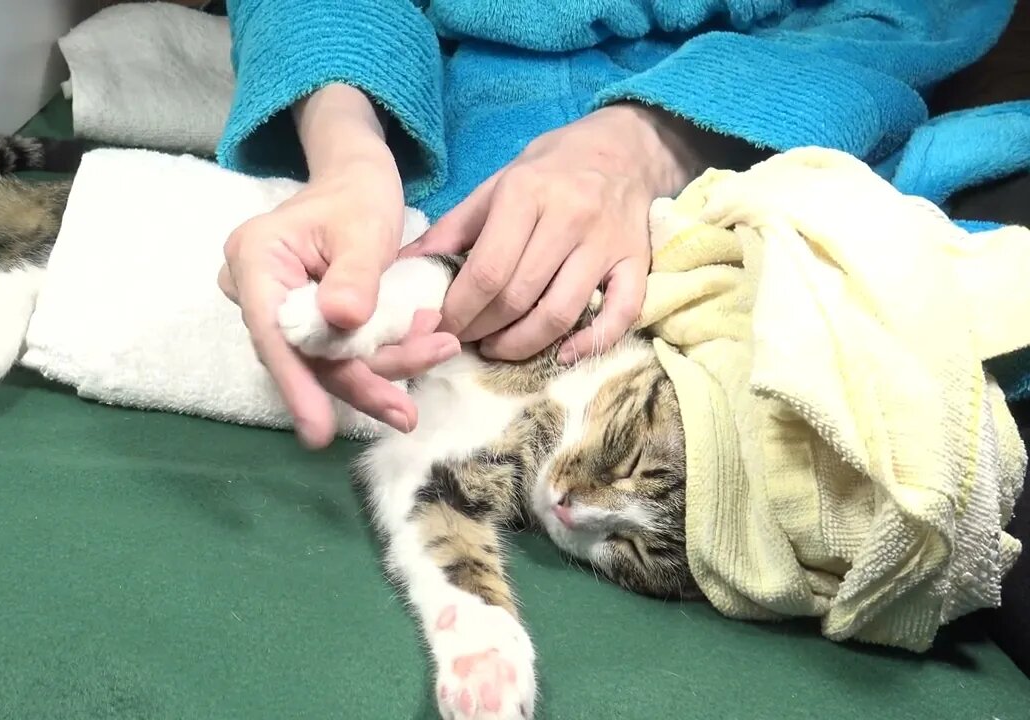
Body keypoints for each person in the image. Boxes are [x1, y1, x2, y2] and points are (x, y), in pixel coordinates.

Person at [212, 0, 1015, 449]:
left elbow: (910, 13)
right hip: (446, 140)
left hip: (790, 128)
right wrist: (349, 149)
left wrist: (651, 140)